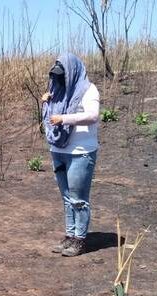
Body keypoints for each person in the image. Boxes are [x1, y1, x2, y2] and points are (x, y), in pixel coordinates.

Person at [41, 53, 100, 257]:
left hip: (81, 152)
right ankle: (70, 235)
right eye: (55, 76)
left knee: (78, 199)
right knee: (66, 198)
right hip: (58, 150)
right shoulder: (56, 90)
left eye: (61, 75)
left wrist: (65, 118)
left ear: (72, 72)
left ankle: (80, 240)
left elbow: (93, 116)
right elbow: (49, 120)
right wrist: (46, 103)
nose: (58, 80)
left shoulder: (88, 90)